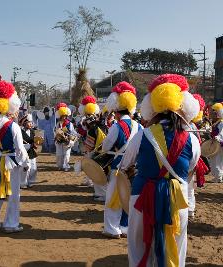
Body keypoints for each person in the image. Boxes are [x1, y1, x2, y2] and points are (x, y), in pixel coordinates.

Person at [119, 74, 201, 266]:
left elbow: (125, 165)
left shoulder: (141, 136)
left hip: (141, 197)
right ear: (182, 107)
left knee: (138, 246)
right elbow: (190, 167)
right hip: (177, 199)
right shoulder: (193, 140)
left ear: (153, 107)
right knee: (176, 246)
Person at [0, 80, 28, 234]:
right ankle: (11, 224)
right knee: (13, 195)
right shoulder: (13, 125)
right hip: (10, 164)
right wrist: (24, 163)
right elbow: (20, 149)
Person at [102, 81, 141, 238]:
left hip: (117, 167)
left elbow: (105, 147)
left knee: (113, 198)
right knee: (128, 197)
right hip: (134, 168)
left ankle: (112, 229)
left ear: (117, 112)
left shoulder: (116, 127)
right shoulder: (139, 126)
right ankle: (125, 227)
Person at [76, 96, 107, 201]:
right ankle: (99, 193)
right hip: (102, 151)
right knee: (100, 173)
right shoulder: (101, 125)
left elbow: (89, 145)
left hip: (96, 152)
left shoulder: (92, 129)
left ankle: (101, 194)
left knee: (96, 173)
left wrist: (87, 151)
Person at [187, 94, 209, 219]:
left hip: (189, 158)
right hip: (193, 158)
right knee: (190, 186)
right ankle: (191, 209)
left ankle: (189, 209)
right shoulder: (193, 126)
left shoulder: (191, 126)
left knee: (188, 186)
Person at [54, 103, 77, 172]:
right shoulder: (58, 123)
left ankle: (66, 166)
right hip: (59, 141)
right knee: (59, 154)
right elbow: (56, 131)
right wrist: (57, 135)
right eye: (62, 116)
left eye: (64, 116)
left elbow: (73, 132)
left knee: (66, 154)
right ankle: (60, 165)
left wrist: (70, 137)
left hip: (67, 141)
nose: (63, 117)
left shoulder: (70, 124)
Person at [19, 114, 38, 189]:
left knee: (33, 168)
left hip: (32, 152)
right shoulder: (20, 132)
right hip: (24, 153)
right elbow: (19, 145)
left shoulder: (33, 131)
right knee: (25, 168)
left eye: (31, 122)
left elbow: (35, 141)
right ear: (24, 123)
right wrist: (30, 145)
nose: (31, 124)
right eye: (29, 122)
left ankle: (31, 181)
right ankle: (23, 183)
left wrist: (36, 144)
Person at [209, 102, 223, 183]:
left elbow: (222, 132)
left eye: (215, 112)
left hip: (219, 144)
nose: (213, 113)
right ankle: (218, 176)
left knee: (217, 161)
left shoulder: (221, 122)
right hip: (216, 144)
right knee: (216, 160)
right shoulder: (217, 122)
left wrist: (218, 138)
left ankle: (218, 177)